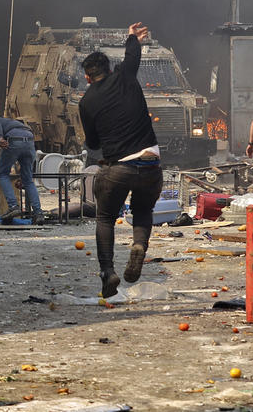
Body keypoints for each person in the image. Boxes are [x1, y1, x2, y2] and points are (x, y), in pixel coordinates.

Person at [78, 22, 162, 299]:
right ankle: (139, 245)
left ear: (88, 78)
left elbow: (92, 144)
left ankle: (107, 272)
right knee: (142, 210)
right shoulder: (125, 76)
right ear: (110, 69)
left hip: (119, 168)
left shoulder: (86, 101)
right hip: (150, 163)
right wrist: (131, 37)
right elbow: (133, 57)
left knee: (105, 217)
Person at [0, 116, 44, 225]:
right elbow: (21, 158)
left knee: (3, 174)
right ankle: (38, 213)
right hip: (30, 141)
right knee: (28, 180)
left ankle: (13, 206)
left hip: (14, 141)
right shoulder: (15, 123)